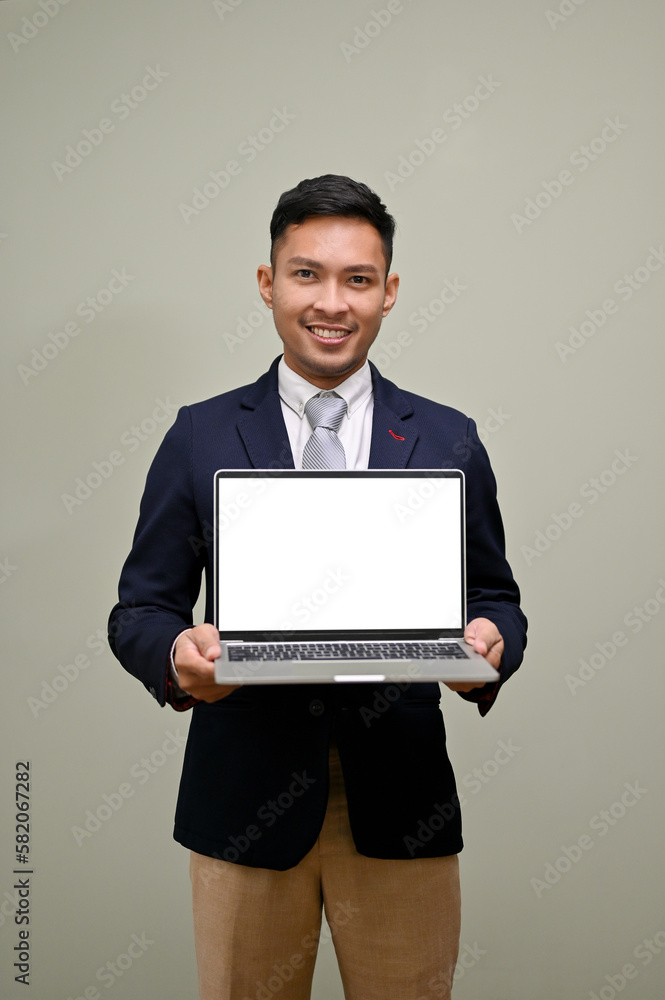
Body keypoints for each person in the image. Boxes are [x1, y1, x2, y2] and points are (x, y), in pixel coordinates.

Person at [108, 174, 527, 1000]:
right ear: (268, 284)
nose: (330, 302)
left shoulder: (447, 437)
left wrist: (490, 641)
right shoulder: (200, 433)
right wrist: (175, 652)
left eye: (356, 279)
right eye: (306, 274)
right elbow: (140, 610)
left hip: (401, 805)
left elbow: (494, 594)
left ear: (388, 292)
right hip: (244, 803)